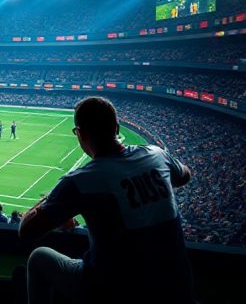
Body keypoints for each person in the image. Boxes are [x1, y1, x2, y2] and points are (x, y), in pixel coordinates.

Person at [18, 96, 195, 304]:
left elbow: (27, 231)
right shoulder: (157, 155)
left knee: (38, 258)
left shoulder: (80, 180)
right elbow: (185, 175)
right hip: (177, 287)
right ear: (117, 128)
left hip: (114, 290)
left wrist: (50, 199)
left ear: (81, 135)